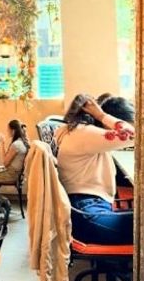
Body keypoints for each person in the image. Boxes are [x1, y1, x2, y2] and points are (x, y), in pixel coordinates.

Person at [55, 93, 136, 245]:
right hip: (88, 215)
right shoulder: (83, 133)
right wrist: (102, 115)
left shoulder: (76, 132)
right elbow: (135, 134)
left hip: (85, 211)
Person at [0, 119, 29, 188]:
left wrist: (2, 144)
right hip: (17, 174)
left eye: (8, 129)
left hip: (12, 175)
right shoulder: (22, 141)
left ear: (13, 131)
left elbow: (5, 163)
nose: (7, 131)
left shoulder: (16, 145)